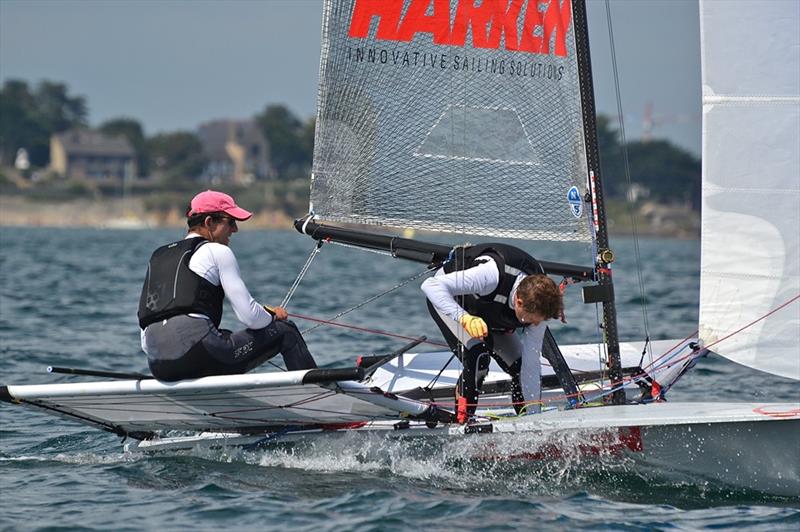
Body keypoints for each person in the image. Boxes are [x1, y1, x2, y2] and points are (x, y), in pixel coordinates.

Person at [138, 190, 317, 381]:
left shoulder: (158, 256)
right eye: (230, 222)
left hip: (159, 367)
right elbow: (250, 317)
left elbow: (145, 335)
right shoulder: (217, 251)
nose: (235, 229)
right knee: (286, 331)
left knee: (223, 336)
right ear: (209, 223)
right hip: (201, 357)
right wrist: (273, 316)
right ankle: (320, 395)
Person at [421, 243, 563, 423]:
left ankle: (526, 420)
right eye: (532, 319)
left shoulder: (540, 305)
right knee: (479, 356)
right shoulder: (491, 276)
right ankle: (463, 421)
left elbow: (532, 364)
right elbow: (431, 285)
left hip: (489, 314)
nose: (535, 324)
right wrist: (465, 318)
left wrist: (534, 416)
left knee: (521, 369)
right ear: (519, 302)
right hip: (451, 302)